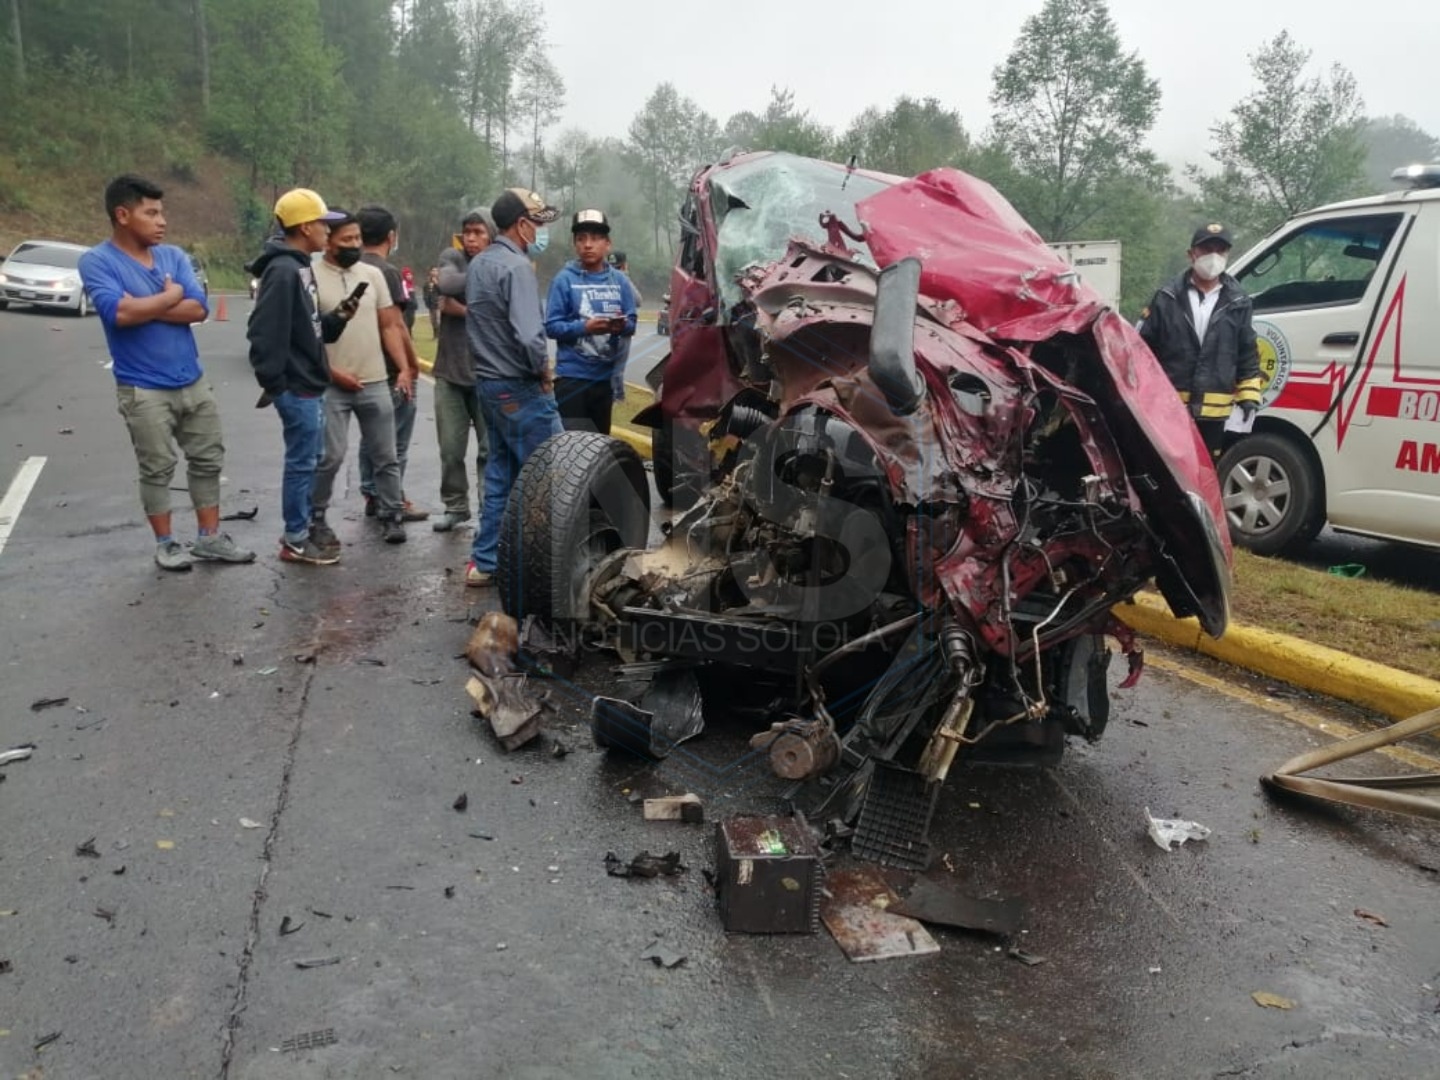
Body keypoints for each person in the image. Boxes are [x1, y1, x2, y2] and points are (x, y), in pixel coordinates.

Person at [78, 173, 256, 571]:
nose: (162, 221)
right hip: (142, 388)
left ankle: (209, 538)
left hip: (192, 379)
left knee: (208, 460)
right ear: (122, 215)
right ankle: (166, 543)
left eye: (162, 213)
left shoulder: (173, 256)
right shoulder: (98, 261)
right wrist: (171, 295)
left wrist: (151, 303)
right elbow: (119, 313)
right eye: (151, 213)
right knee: (157, 468)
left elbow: (198, 308)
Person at [245, 187, 358, 565]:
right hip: (297, 388)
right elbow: (263, 333)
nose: (328, 231)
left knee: (312, 458)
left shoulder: (299, 266)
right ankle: (295, 539)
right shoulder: (283, 271)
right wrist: (277, 386)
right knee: (302, 463)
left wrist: (338, 317)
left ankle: (302, 527)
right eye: (324, 224)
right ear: (306, 227)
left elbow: (309, 328)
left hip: (310, 383)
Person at [465, 187, 562, 586]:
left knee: (501, 476)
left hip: (489, 385)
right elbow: (529, 335)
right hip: (519, 388)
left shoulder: (479, 264)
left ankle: (485, 561)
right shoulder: (517, 267)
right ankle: (549, 566)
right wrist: (543, 371)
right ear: (521, 225)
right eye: (536, 223)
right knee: (554, 473)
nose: (539, 231)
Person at [309, 210, 412, 548]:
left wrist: (404, 368)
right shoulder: (310, 276)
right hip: (332, 383)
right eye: (346, 239)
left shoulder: (372, 275)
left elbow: (389, 326)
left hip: (375, 380)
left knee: (386, 455)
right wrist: (333, 373)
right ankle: (316, 515)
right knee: (330, 456)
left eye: (357, 238)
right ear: (328, 241)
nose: (354, 244)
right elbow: (308, 336)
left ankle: (392, 514)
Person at [1139, 223, 1262, 458]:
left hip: (1214, 414)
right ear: (1191, 254)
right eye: (1206, 249)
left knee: (1206, 472)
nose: (1213, 256)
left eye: (1220, 250)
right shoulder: (1166, 297)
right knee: (1167, 470)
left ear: (1227, 255)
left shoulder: (1239, 301)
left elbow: (1247, 352)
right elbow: (1143, 350)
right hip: (1170, 410)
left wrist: (1249, 396)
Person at [355, 205, 428, 523]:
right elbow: (397, 325)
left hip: (360, 365)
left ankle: (371, 492)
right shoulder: (387, 273)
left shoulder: (351, 268)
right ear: (391, 236)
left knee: (370, 436)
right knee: (395, 439)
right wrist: (409, 365)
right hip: (389, 367)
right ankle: (393, 497)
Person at [545, 209, 637, 435]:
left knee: (598, 448)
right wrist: (584, 327)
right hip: (571, 379)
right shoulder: (564, 280)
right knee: (572, 447)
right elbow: (552, 327)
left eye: (595, 238)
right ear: (574, 244)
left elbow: (632, 322)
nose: (588, 245)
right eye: (581, 239)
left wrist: (620, 326)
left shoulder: (620, 281)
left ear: (607, 244)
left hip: (605, 380)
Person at [431, 208, 493, 533]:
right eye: (467, 232)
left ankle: (489, 511)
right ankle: (455, 507)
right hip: (449, 372)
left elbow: (500, 314)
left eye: (478, 232)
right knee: (451, 451)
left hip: (488, 375)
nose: (471, 239)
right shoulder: (451, 256)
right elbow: (446, 281)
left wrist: (462, 308)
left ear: (492, 235)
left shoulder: (501, 262)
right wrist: (483, 284)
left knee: (489, 451)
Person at [607, 250, 643, 403]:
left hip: (605, 328)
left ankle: (611, 394)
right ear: (624, 265)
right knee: (618, 367)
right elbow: (638, 300)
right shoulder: (623, 279)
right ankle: (618, 396)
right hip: (622, 327)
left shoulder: (601, 278)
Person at [423, 266, 441, 337]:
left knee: (438, 319)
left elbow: (442, 291)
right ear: (430, 272)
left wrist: (436, 284)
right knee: (432, 320)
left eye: (436, 271)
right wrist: (426, 300)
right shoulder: (427, 282)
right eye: (433, 270)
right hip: (431, 304)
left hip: (438, 303)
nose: (434, 272)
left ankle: (439, 335)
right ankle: (435, 334)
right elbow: (425, 292)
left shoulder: (440, 280)